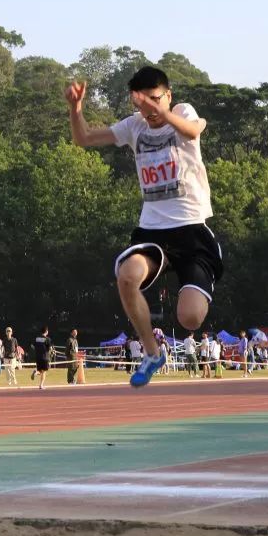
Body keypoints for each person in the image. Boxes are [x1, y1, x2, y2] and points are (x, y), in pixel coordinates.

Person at [66, 67, 222, 388]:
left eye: (155, 100)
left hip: (192, 231)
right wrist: (75, 109)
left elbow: (194, 131)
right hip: (153, 232)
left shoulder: (182, 113)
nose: (148, 110)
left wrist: (163, 112)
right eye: (142, 103)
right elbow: (83, 138)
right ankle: (152, 353)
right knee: (126, 275)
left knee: (189, 318)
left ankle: (196, 286)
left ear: (168, 96)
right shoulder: (135, 125)